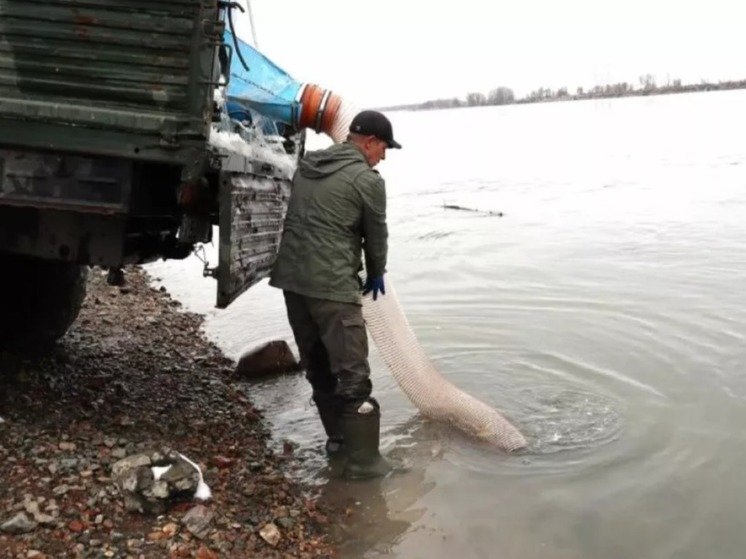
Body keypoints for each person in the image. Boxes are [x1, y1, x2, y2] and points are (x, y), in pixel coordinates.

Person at [269, 110, 401, 480]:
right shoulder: (367, 180)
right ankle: (366, 468)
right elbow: (376, 237)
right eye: (385, 148)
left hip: (293, 285)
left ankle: (338, 444)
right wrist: (375, 274)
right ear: (370, 142)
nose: (385, 156)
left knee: (318, 367)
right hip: (332, 290)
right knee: (354, 376)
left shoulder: (308, 166)